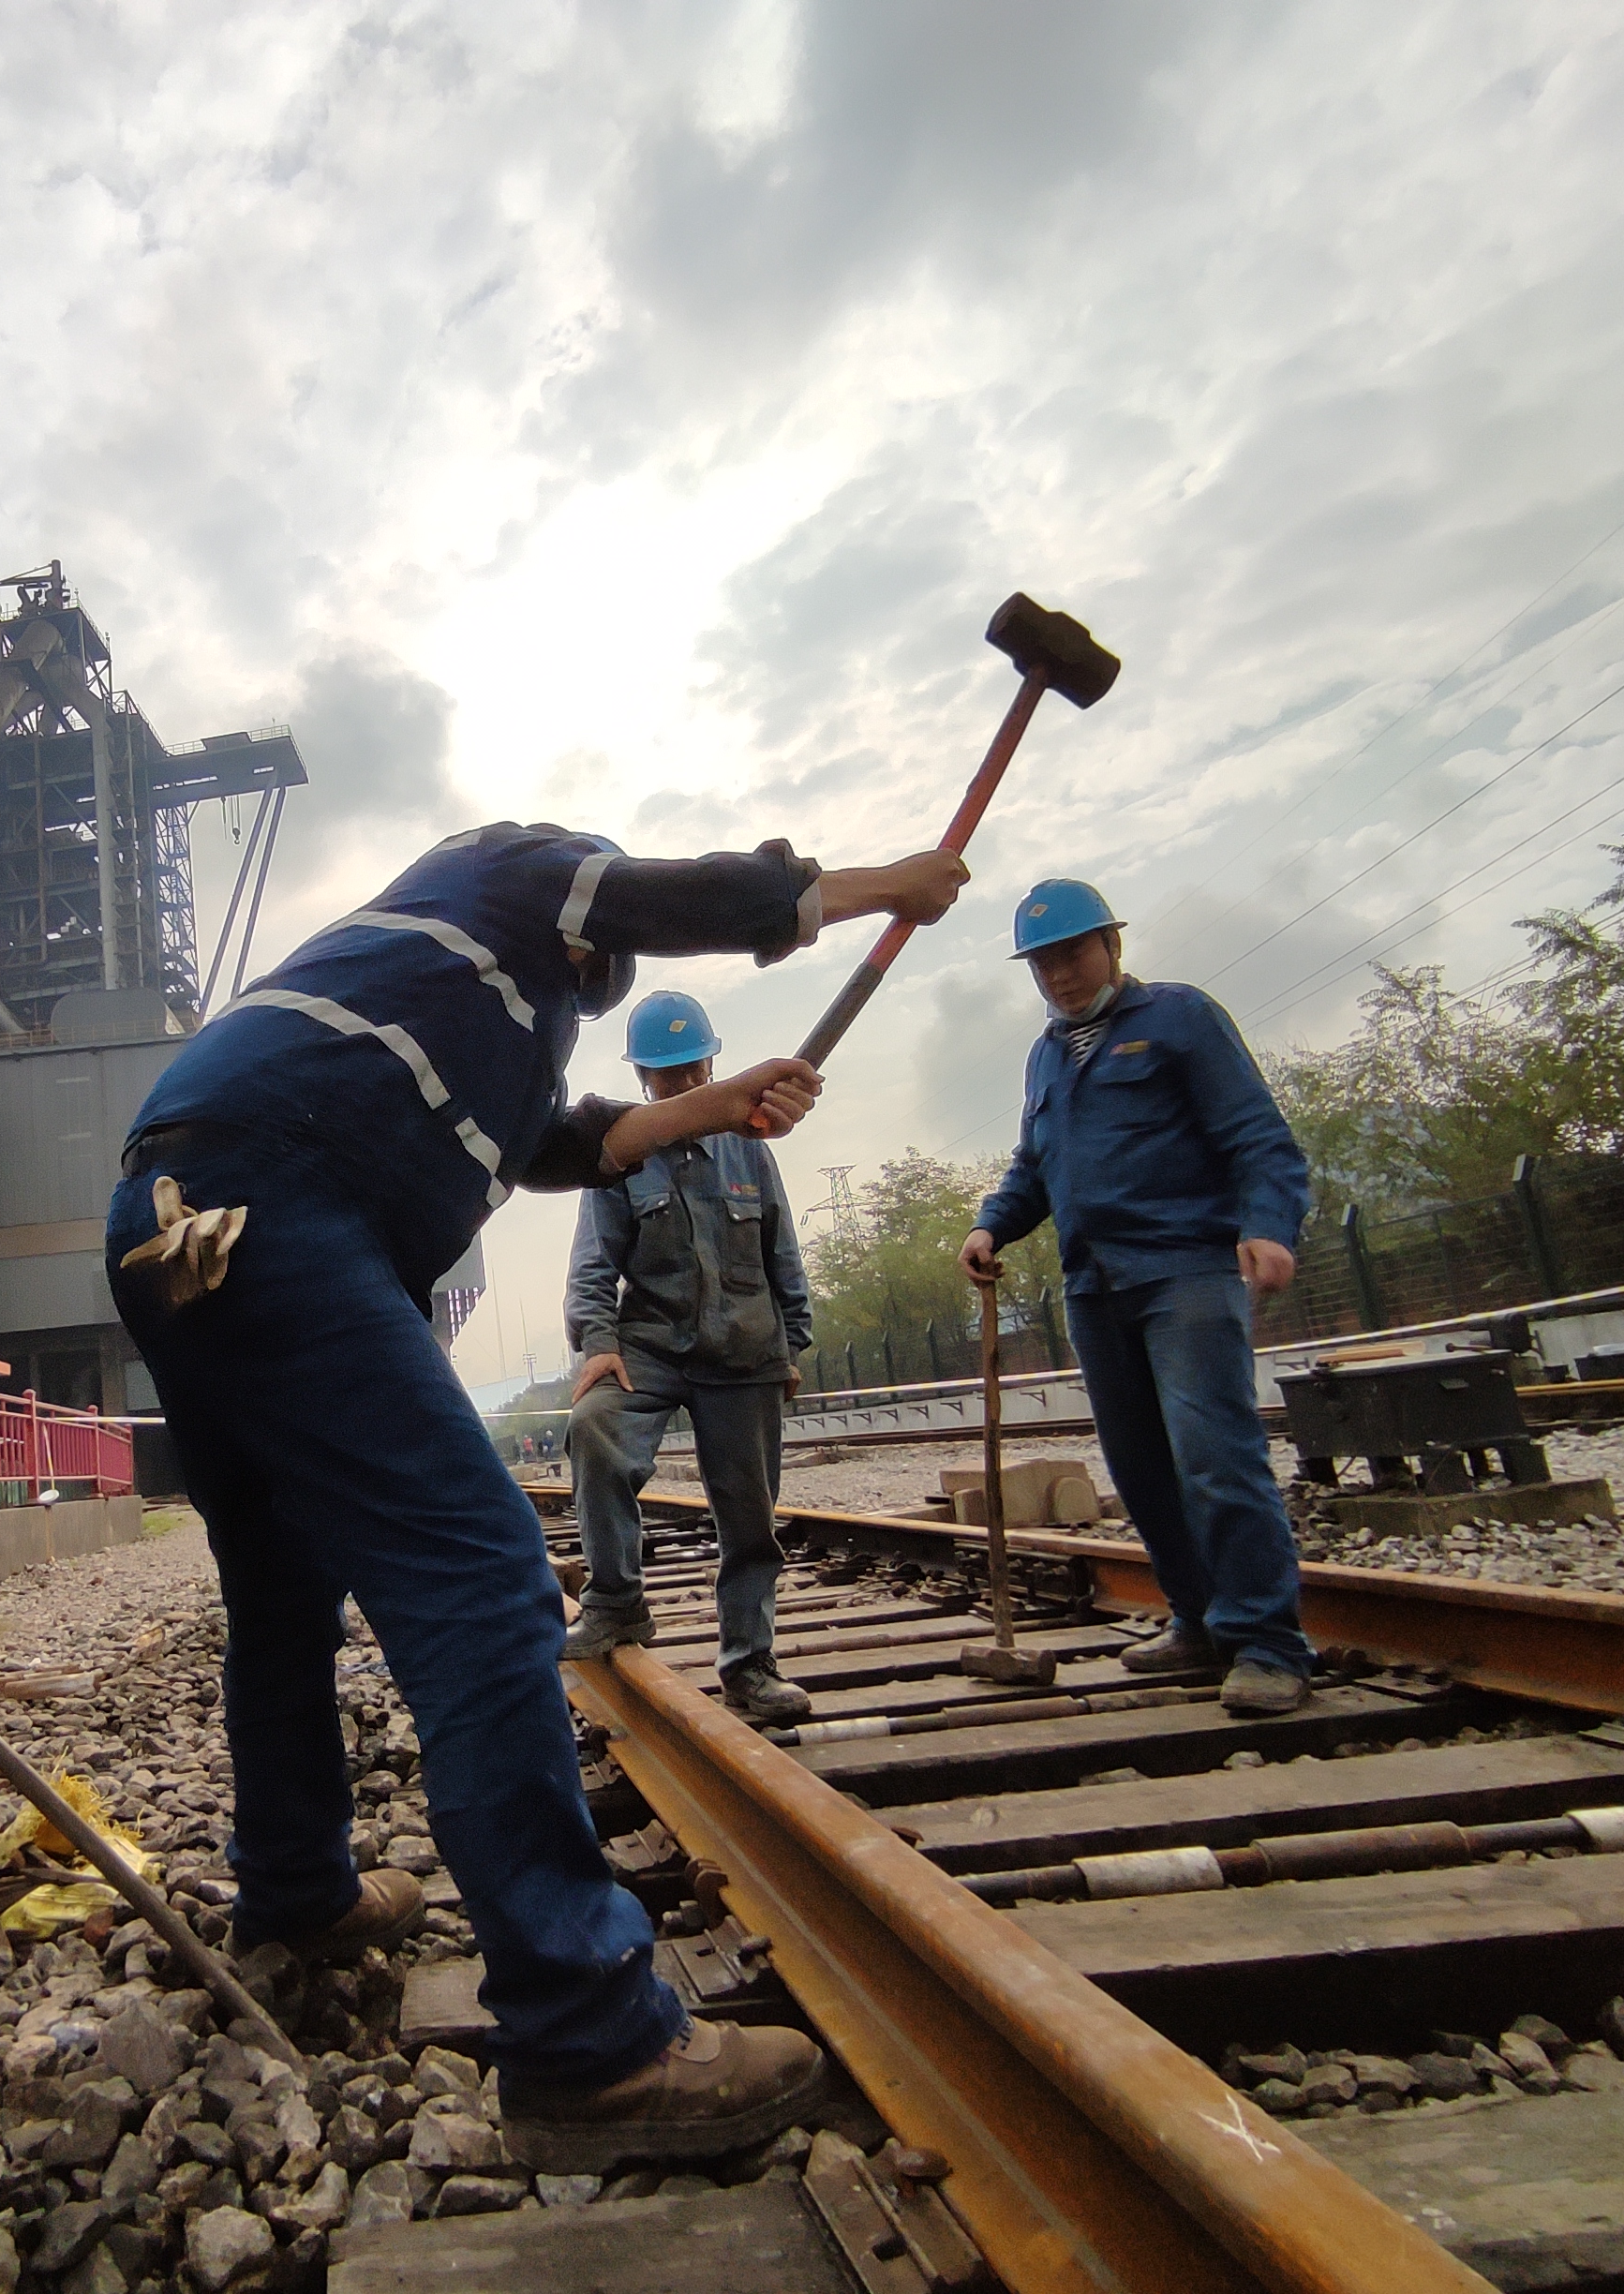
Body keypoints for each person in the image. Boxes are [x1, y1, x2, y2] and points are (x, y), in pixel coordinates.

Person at [110, 821, 966, 2169]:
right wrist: (876, 888)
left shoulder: (469, 1043)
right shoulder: (504, 872)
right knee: (488, 1578)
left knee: (280, 1591)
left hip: (176, 1224)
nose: (592, 973)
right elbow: (707, 892)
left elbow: (573, 1142)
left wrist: (721, 1101)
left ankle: (296, 1891)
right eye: (600, 954)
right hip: (272, 1203)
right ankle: (590, 2040)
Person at [958, 878, 1316, 1715]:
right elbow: (1036, 1168)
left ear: (1113, 946)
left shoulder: (1181, 1019)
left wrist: (1269, 1226)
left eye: (1072, 952)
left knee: (1215, 1459)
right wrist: (989, 1228)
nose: (1059, 973)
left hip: (1184, 1273)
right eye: (1042, 961)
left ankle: (1268, 1644)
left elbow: (1257, 1134)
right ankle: (1199, 1624)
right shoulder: (1047, 1055)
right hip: (1095, 1284)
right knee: (1143, 1471)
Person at [559, 990, 815, 1723]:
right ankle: (616, 1604)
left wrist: (790, 1343)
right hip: (651, 1349)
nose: (678, 1084)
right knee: (596, 1429)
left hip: (744, 1349)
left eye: (689, 1069)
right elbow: (591, 1265)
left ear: (711, 1064)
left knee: (749, 1515)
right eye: (663, 1075)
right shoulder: (621, 1153)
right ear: (643, 1078)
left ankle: (750, 1663)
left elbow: (781, 1251)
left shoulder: (749, 1146)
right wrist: (599, 1345)